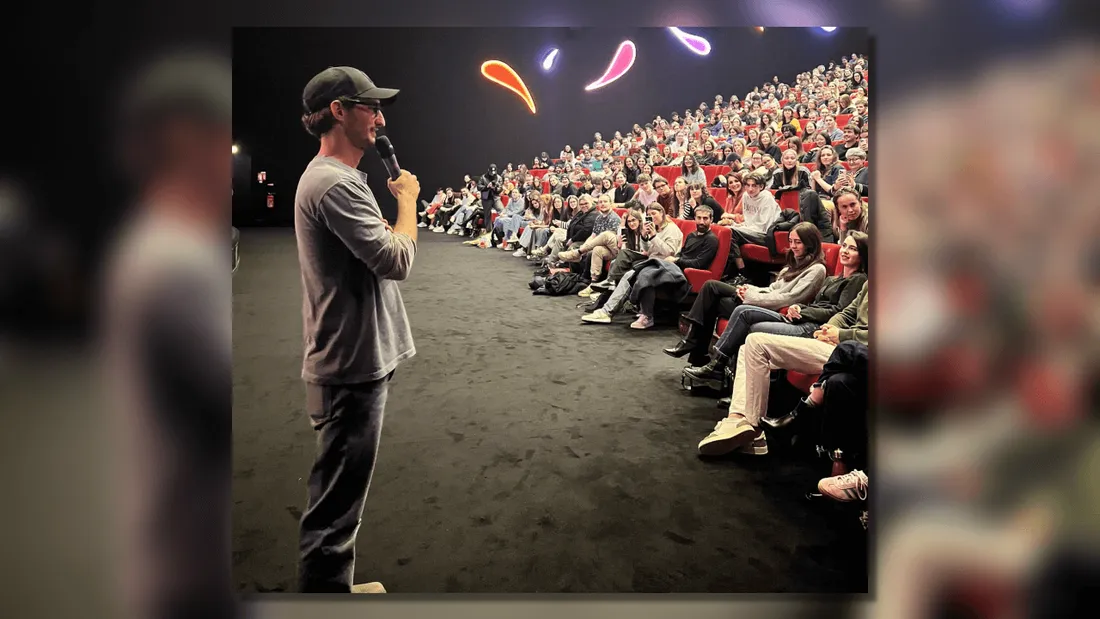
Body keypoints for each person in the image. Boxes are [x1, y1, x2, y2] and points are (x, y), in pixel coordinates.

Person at [293, 65, 419, 593]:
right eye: (370, 106)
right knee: (336, 507)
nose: (380, 117)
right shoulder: (333, 184)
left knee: (344, 496)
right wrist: (408, 200)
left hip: (354, 357)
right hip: (349, 365)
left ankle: (334, 589)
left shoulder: (337, 179)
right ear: (339, 112)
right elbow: (396, 259)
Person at [696, 282, 868, 456]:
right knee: (746, 348)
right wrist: (829, 329)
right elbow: (845, 314)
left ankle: (754, 431)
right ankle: (737, 417)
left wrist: (841, 335)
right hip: (835, 344)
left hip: (854, 354)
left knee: (756, 342)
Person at [674, 230, 867, 382]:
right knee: (726, 303)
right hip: (798, 316)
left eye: (853, 249)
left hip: (810, 325)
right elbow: (783, 291)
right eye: (844, 246)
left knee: (745, 319)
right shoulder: (831, 278)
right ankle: (717, 367)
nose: (845, 251)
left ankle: (716, 365)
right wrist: (797, 308)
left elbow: (838, 310)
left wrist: (802, 310)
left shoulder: (855, 279)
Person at [582, 205, 717, 329]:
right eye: (698, 218)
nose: (701, 221)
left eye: (705, 218)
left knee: (642, 274)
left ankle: (639, 314)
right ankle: (609, 311)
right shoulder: (692, 235)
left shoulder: (711, 239)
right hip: (666, 264)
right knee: (634, 273)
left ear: (711, 219)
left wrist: (676, 259)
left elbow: (699, 263)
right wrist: (646, 238)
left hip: (677, 271)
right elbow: (682, 252)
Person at [725, 172, 782, 276]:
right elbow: (749, 220)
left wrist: (740, 228)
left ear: (761, 186)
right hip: (752, 230)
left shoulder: (767, 198)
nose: (750, 189)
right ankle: (730, 272)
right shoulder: (746, 196)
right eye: (747, 185)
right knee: (725, 230)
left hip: (765, 234)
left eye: (754, 185)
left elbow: (764, 225)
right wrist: (740, 226)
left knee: (731, 232)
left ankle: (742, 273)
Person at [475, 163, 504, 240]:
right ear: (488, 170)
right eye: (491, 172)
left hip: (495, 197)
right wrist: (486, 187)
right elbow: (478, 187)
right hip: (486, 198)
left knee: (502, 211)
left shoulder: (499, 178)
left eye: (494, 173)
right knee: (487, 215)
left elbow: (500, 189)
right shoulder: (483, 177)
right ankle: (489, 233)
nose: (492, 174)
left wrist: (494, 188)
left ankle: (502, 232)